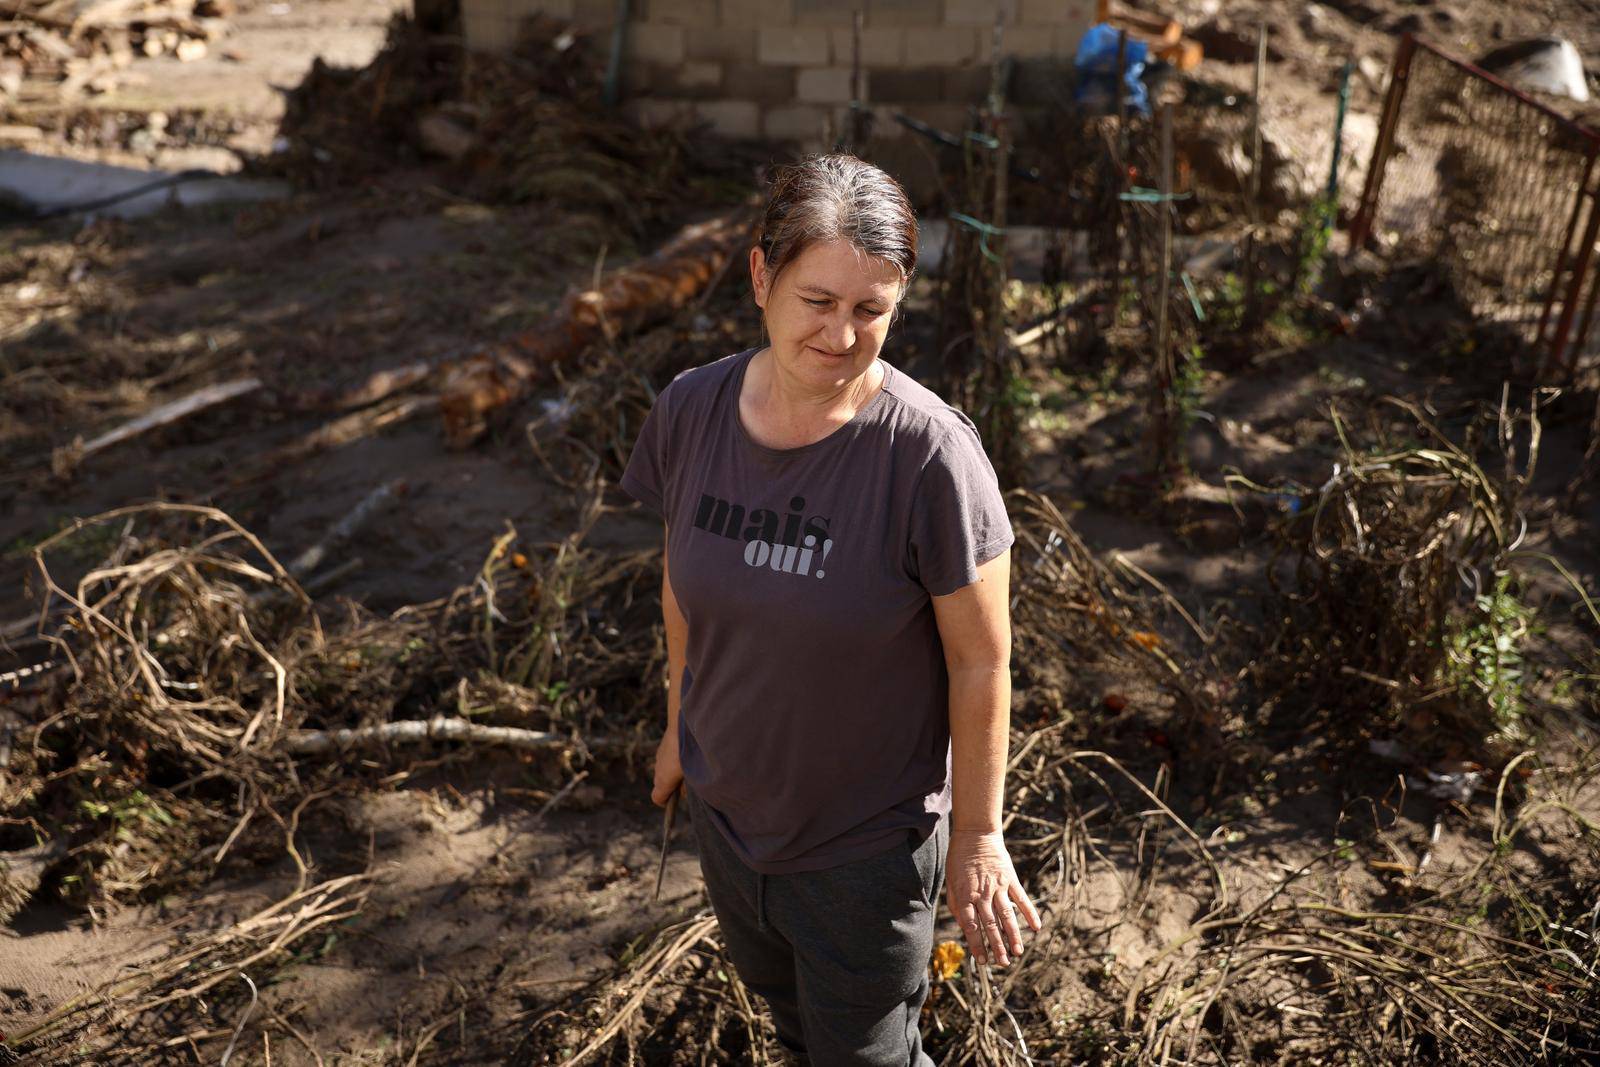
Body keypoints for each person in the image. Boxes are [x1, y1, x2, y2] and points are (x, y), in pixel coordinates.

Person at [619, 153, 1040, 1066]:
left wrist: (978, 835)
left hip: (863, 855)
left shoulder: (929, 458)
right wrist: (678, 725)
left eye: (870, 310)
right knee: (798, 1030)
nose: (842, 334)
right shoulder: (691, 412)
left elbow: (982, 658)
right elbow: (683, 583)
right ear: (762, 276)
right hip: (731, 826)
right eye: (818, 300)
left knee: (866, 1054)